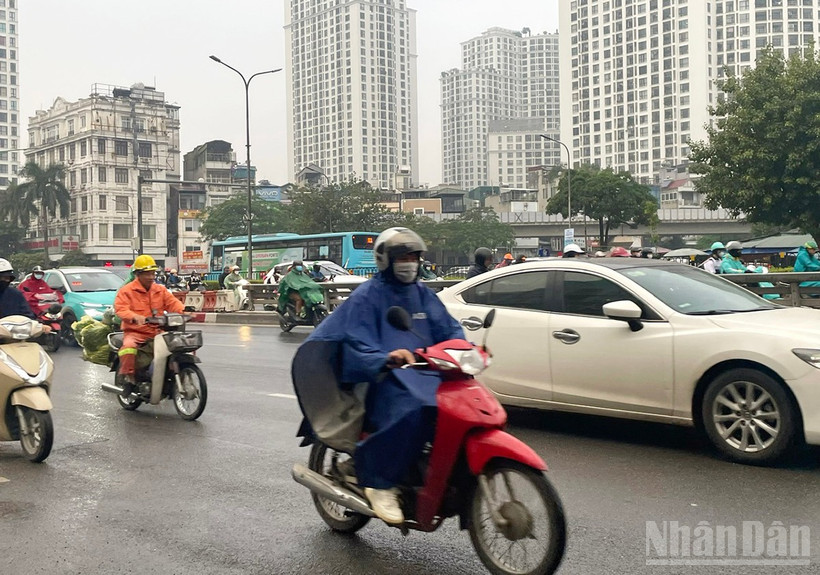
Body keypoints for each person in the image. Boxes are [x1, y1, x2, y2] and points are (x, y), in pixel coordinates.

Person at [291, 227, 464, 525]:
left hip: (424, 372)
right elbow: (357, 341)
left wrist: (465, 350)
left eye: (414, 256)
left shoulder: (423, 295)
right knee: (413, 408)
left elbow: (449, 330)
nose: (410, 262)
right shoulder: (368, 296)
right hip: (384, 377)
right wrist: (386, 358)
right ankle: (379, 482)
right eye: (403, 257)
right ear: (387, 260)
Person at [113, 255, 185, 396]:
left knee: (178, 345)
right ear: (138, 274)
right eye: (147, 274)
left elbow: (173, 303)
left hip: (158, 331)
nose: (151, 277)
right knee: (128, 348)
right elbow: (121, 309)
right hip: (135, 333)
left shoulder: (160, 289)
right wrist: (134, 317)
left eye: (153, 273)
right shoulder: (126, 291)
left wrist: (184, 312)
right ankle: (128, 378)